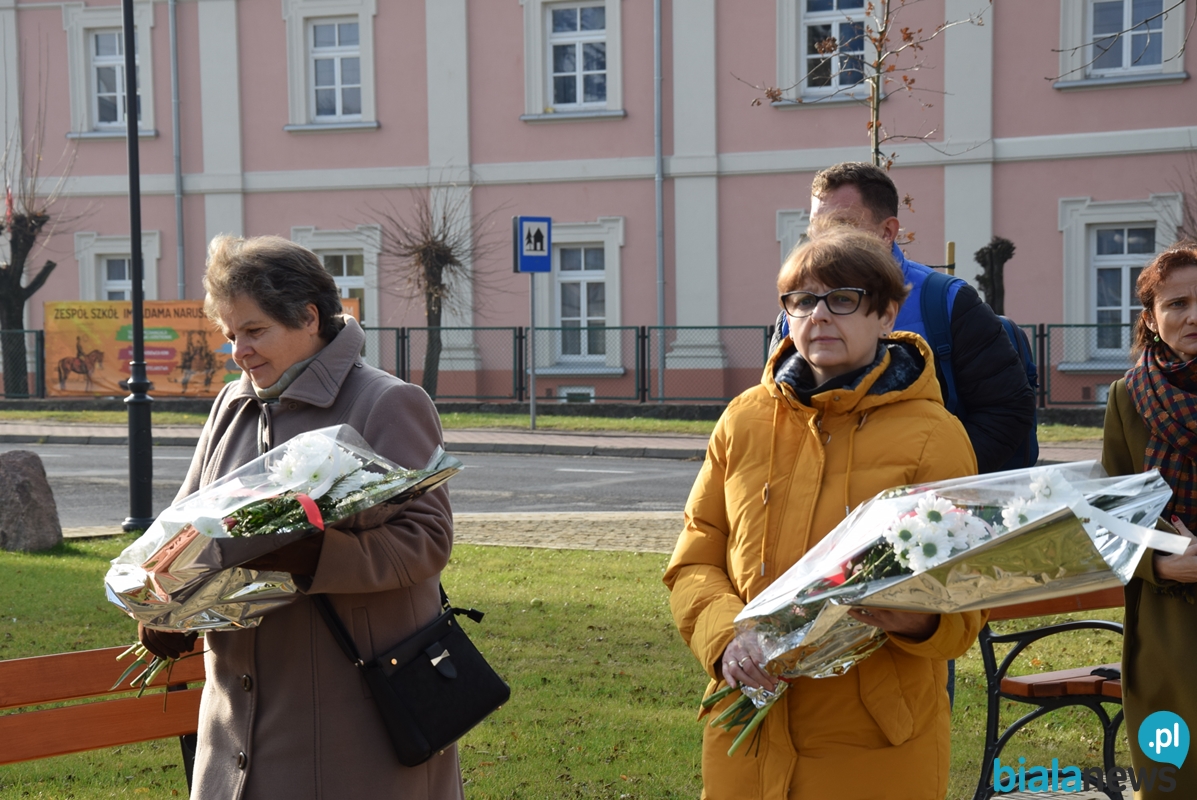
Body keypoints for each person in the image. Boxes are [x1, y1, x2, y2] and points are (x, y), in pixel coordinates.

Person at [137, 235, 463, 800]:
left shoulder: (386, 402)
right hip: (235, 718)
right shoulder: (232, 405)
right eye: (230, 335)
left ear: (309, 318)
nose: (239, 352)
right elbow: (183, 524)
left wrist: (317, 556)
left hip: (352, 716)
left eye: (254, 331)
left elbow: (428, 540)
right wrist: (164, 601)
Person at [667, 228, 986, 799]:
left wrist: (914, 617)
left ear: (886, 315)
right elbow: (696, 556)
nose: (819, 315)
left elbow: (967, 595)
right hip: (747, 731)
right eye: (803, 300)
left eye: (843, 299)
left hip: (874, 746)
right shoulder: (743, 420)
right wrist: (727, 639)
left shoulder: (934, 436)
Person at [770, 162, 1035, 475]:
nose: (825, 239)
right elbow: (779, 416)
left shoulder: (947, 301)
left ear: (887, 232)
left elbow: (1005, 411)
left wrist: (929, 483)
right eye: (816, 228)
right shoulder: (796, 312)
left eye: (842, 225)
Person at [1101, 243, 1197, 799]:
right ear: (1152, 319)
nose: (1192, 316)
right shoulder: (1128, 398)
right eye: (1177, 303)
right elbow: (1111, 519)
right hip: (1168, 618)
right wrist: (1162, 567)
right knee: (1173, 778)